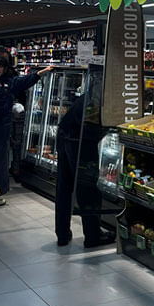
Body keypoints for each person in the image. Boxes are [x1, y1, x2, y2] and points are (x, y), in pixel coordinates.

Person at [55, 93, 114, 248]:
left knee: (64, 188)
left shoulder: (94, 90)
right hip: (81, 141)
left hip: (65, 135)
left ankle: (62, 234)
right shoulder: (109, 97)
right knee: (88, 189)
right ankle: (93, 236)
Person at [0, 58, 52, 206]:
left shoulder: (5, 82)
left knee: (0, 161)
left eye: (1, 66)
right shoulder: (2, 85)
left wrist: (39, 73)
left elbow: (21, 82)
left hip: (2, 130)